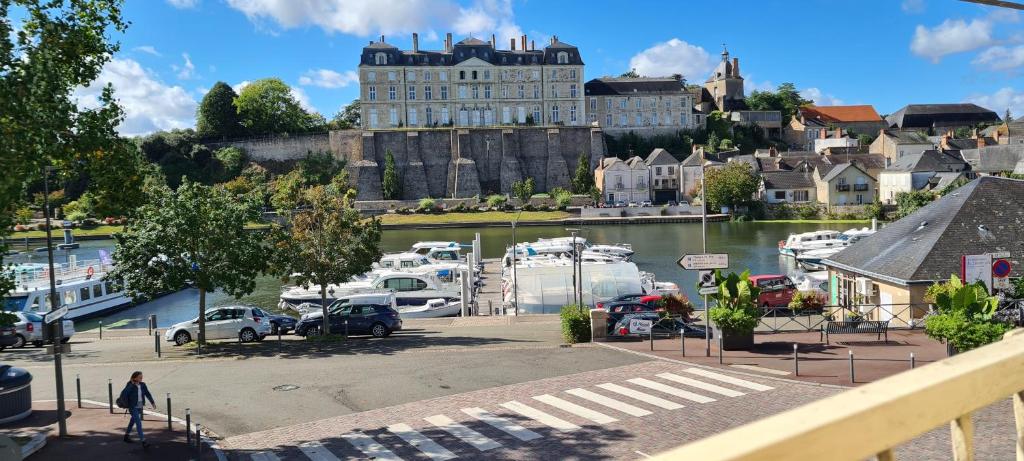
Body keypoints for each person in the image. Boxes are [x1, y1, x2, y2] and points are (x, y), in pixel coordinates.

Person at [120, 371, 156, 447]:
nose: (141, 378)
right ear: (135, 378)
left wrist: (152, 402)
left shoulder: (143, 385)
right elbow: (124, 393)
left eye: (142, 377)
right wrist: (132, 384)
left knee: (132, 421)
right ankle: (143, 441)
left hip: (140, 407)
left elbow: (147, 393)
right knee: (138, 423)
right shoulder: (130, 384)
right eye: (140, 377)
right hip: (132, 407)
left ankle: (126, 436)